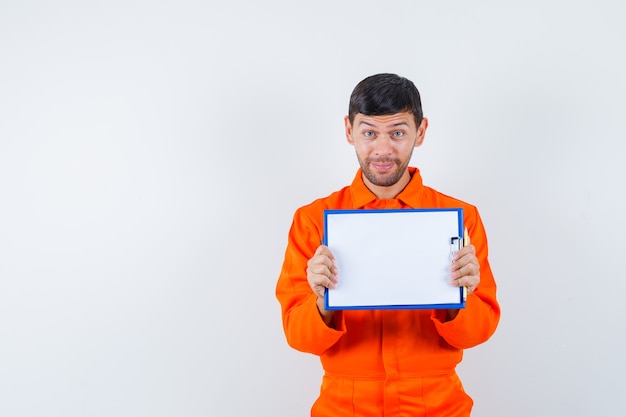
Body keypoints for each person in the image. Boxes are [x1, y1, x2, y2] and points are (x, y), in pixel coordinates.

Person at [275, 73, 500, 417]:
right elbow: (298, 336)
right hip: (343, 407)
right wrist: (322, 302)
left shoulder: (459, 218)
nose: (382, 149)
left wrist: (462, 297)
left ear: (420, 132)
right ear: (349, 132)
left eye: (397, 133)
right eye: (369, 133)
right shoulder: (313, 220)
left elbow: (478, 332)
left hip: (438, 406)